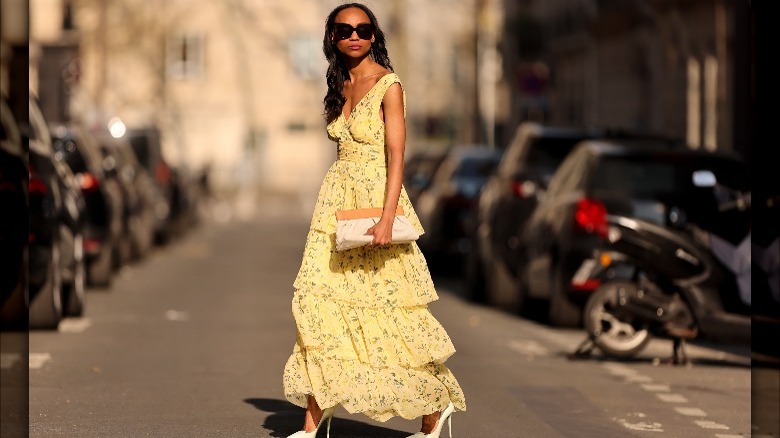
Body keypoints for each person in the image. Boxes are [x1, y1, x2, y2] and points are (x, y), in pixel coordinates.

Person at [282, 3, 466, 438]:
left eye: (364, 30)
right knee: (320, 306)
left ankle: (434, 409)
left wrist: (386, 219)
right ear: (332, 37)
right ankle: (312, 423)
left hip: (375, 203)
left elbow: (396, 155)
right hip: (335, 206)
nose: (355, 37)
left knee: (391, 316)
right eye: (345, 30)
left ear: (373, 36)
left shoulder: (389, 85)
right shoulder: (339, 82)